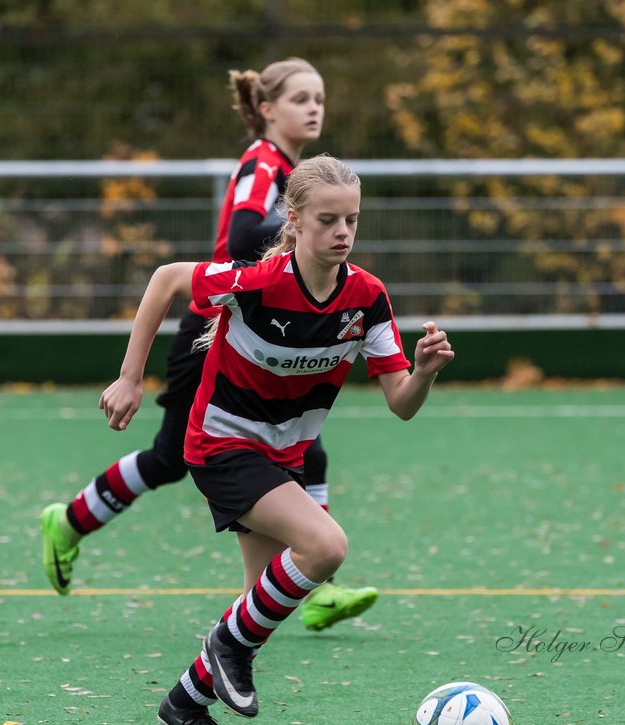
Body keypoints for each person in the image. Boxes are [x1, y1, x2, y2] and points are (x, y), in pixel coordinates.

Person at [99, 155, 455, 725]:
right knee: (325, 546)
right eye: (327, 220)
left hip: (281, 457)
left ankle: (185, 702)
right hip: (220, 445)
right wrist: (130, 377)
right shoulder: (258, 283)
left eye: (352, 220)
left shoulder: (366, 298)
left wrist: (423, 373)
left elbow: (401, 403)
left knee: (256, 603)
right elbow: (166, 278)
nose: (342, 232)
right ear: (294, 220)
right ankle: (227, 647)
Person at [40, 58, 379, 631]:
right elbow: (248, 232)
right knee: (178, 457)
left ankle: (311, 583)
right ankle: (70, 520)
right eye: (300, 99)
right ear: (267, 110)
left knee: (296, 443)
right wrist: (288, 250)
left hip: (250, 327)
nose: (314, 107)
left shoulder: (294, 173)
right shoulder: (262, 163)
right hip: (216, 329)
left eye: (319, 97)